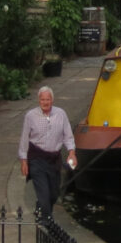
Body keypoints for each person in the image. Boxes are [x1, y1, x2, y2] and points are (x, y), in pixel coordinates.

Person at [19, 85, 76, 218]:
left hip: (54, 159)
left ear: (52, 100)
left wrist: (72, 153)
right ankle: (47, 221)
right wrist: (23, 161)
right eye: (42, 99)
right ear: (39, 100)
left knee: (54, 194)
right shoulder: (30, 116)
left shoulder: (61, 114)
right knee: (43, 193)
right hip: (36, 159)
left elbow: (68, 135)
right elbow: (24, 139)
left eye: (48, 99)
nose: (45, 102)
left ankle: (42, 208)